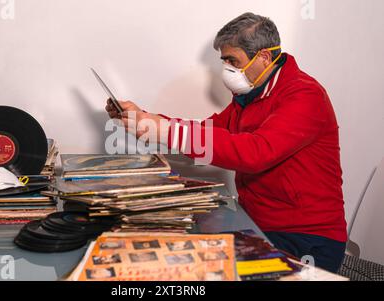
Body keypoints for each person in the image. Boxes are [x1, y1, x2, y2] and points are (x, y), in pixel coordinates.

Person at [105, 12, 347, 273]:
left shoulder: (304, 95)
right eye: (225, 61)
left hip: (305, 237)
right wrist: (148, 120)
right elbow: (209, 132)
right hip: (257, 221)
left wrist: (162, 130)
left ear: (264, 57)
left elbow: (254, 153)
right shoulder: (250, 97)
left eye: (233, 60)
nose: (227, 69)